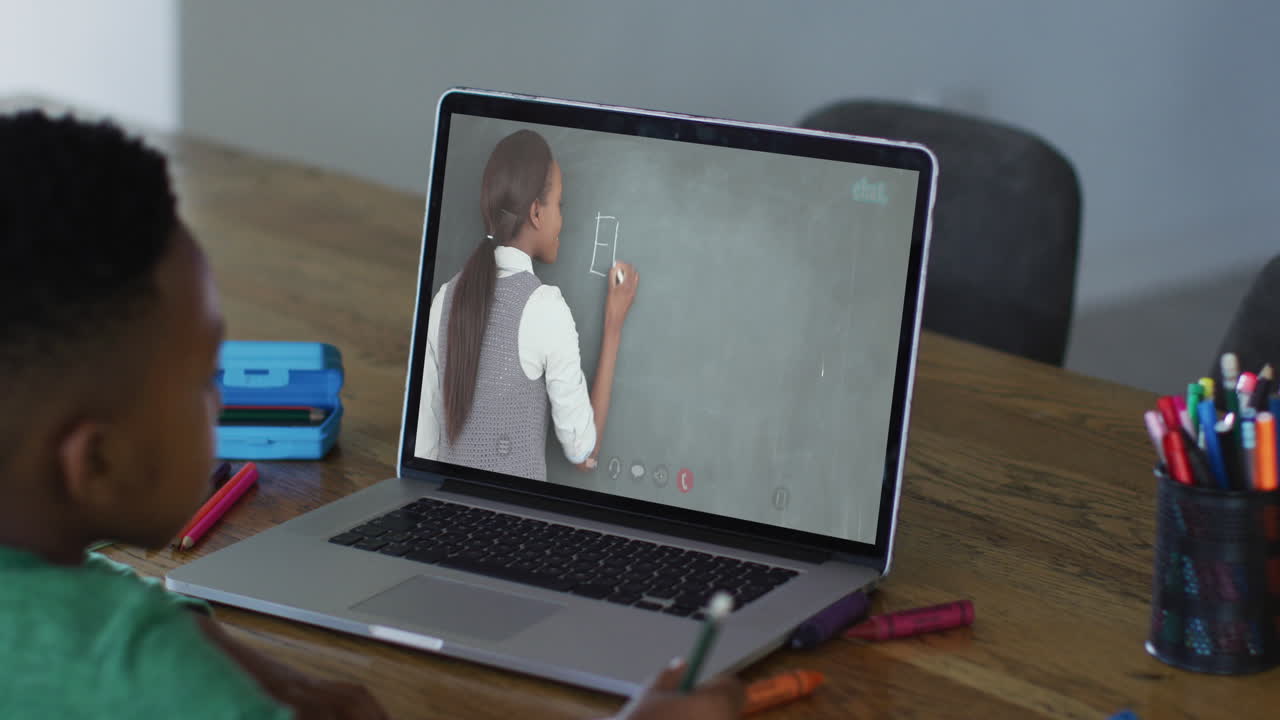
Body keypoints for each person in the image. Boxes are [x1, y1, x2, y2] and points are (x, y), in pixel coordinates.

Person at [0, 111, 740, 720]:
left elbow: (75, 597)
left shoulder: (455, 295)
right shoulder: (150, 679)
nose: (221, 401)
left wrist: (208, 645)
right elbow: (583, 447)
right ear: (95, 461)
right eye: (203, 379)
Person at [418, 129, 637, 480]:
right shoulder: (544, 308)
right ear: (536, 212)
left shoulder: (445, 298)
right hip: (514, 528)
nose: (562, 221)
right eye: (559, 206)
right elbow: (583, 452)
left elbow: (424, 450)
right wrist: (613, 325)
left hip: (444, 514)